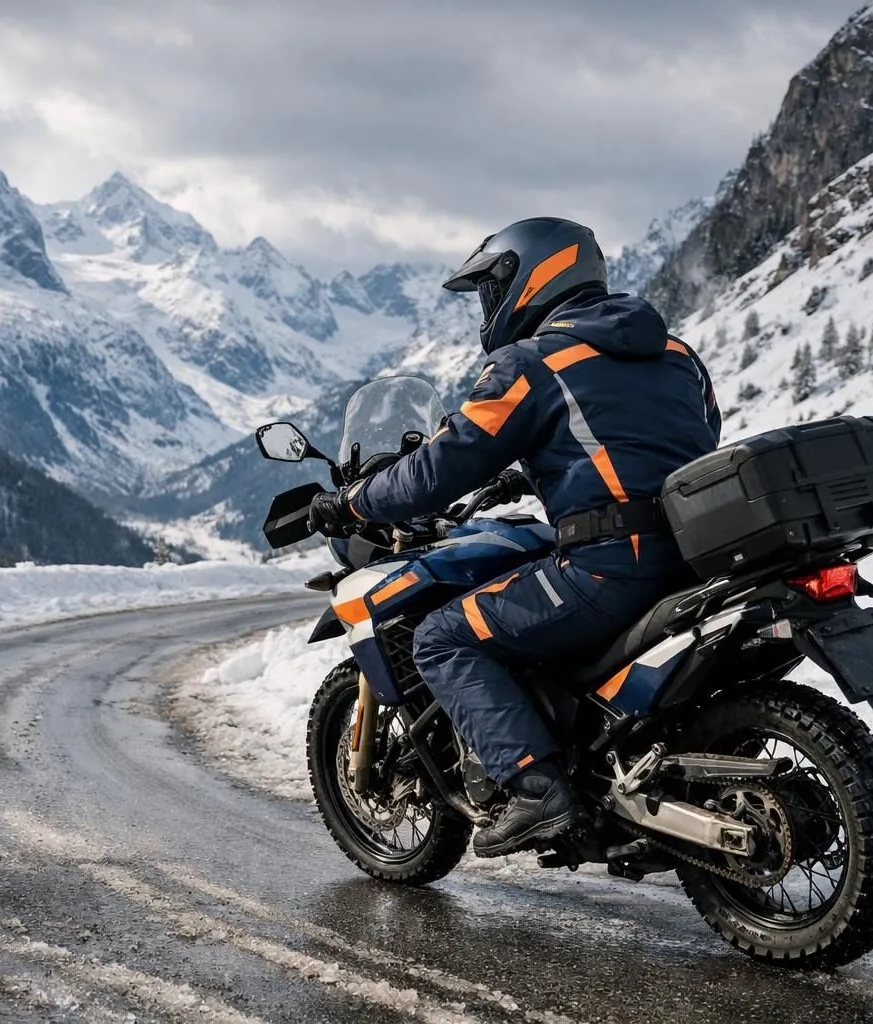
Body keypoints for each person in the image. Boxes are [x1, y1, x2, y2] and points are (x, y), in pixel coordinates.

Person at [309, 217, 720, 857]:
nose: (487, 305)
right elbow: (669, 444)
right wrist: (540, 468)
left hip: (608, 569)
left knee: (441, 637)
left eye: (489, 289)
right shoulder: (676, 353)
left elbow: (438, 469)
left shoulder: (530, 363)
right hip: (694, 557)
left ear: (524, 278)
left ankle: (537, 791)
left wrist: (355, 501)